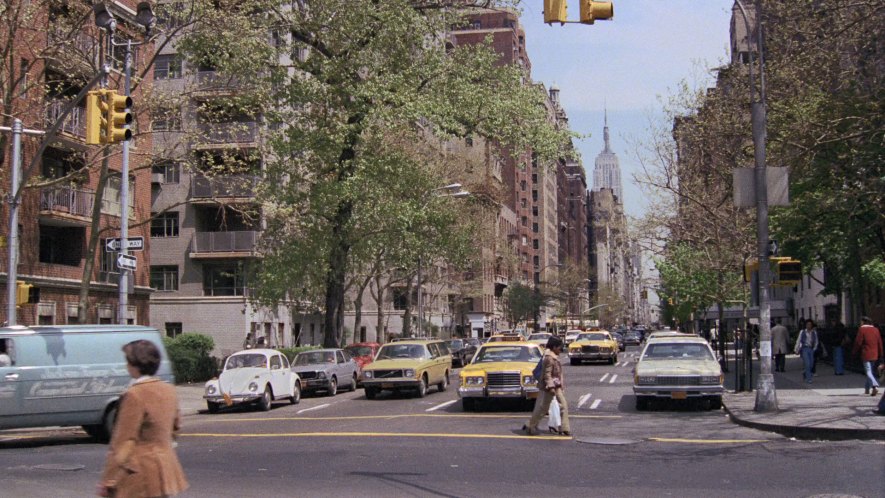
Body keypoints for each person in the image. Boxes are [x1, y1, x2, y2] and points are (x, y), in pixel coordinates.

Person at [98, 340, 188, 498]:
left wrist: (109, 479)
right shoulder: (169, 390)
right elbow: (175, 427)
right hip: (165, 470)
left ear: (134, 365)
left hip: (140, 473)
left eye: (127, 361)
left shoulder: (134, 394)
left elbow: (125, 440)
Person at [523, 336, 570, 436]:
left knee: (564, 405)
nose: (560, 350)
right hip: (549, 387)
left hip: (556, 386)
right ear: (553, 347)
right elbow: (547, 374)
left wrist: (560, 384)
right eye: (559, 347)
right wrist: (551, 387)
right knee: (543, 408)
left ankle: (565, 428)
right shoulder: (549, 358)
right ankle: (530, 425)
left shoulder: (553, 356)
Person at [852, 316, 883, 396]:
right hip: (875, 354)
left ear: (864, 322)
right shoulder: (876, 330)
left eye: (861, 321)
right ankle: (867, 389)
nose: (860, 323)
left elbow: (858, 342)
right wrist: (881, 354)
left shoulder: (862, 329)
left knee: (868, 372)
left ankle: (874, 386)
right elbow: (879, 342)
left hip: (866, 353)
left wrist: (854, 352)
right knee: (870, 372)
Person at [794, 319, 820, 384]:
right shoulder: (802, 332)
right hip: (805, 348)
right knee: (807, 363)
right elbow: (798, 340)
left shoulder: (814, 332)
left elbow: (816, 341)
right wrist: (796, 349)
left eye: (810, 325)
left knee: (811, 364)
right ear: (806, 325)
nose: (809, 326)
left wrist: (814, 348)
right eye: (808, 324)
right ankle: (809, 378)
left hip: (811, 349)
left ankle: (805, 372)